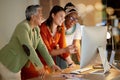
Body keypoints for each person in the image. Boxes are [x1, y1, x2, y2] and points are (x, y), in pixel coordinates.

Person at [0, 5, 60, 80]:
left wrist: (51, 64)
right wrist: (39, 67)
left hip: (16, 65)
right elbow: (28, 48)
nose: (42, 17)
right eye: (40, 15)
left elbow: (42, 47)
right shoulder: (23, 27)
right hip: (7, 62)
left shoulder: (36, 29)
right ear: (33, 16)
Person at [38, 5, 78, 70]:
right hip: (39, 64)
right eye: (61, 16)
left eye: (64, 17)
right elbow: (47, 52)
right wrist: (65, 50)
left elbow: (63, 46)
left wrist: (70, 63)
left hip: (51, 64)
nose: (63, 19)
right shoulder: (42, 29)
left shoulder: (61, 27)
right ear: (53, 15)